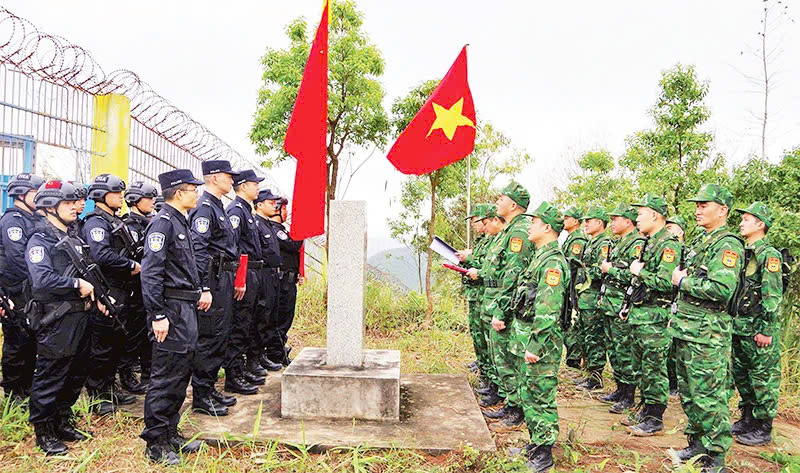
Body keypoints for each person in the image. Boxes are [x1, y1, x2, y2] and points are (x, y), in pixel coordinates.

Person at [26, 180, 108, 455]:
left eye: (79, 201)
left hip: (81, 317)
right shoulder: (40, 239)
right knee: (52, 375)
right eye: (70, 202)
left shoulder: (74, 236)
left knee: (75, 374)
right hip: (57, 320)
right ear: (50, 207)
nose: (78, 206)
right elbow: (42, 279)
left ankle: (62, 421)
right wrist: (75, 285)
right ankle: (44, 430)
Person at [670, 184, 743, 472]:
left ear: (722, 210)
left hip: (707, 334)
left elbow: (722, 288)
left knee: (709, 397)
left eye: (705, 205)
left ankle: (716, 458)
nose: (698, 209)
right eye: (697, 205)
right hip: (687, 329)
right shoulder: (704, 241)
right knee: (690, 394)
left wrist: (682, 282)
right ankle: (698, 446)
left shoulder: (727, 244)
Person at [139, 169, 204, 465]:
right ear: (179, 193)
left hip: (185, 308)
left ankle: (170, 432)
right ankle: (155, 442)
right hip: (171, 311)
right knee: (165, 375)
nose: (197, 194)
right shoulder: (162, 224)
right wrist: (158, 314)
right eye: (193, 189)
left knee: (180, 372)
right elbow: (151, 273)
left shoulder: (181, 222)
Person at [467, 181, 533, 432]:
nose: (497, 202)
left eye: (501, 198)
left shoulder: (518, 232)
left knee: (511, 360)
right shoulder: (508, 231)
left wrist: (501, 309)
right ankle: (511, 402)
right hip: (498, 301)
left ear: (513, 204)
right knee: (502, 358)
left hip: (509, 307)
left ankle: (516, 408)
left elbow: (513, 275)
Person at [508, 201, 570, 473]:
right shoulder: (539, 256)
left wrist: (535, 345)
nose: (529, 226)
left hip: (541, 344)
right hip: (527, 337)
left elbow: (548, 309)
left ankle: (543, 454)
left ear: (547, 227)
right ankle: (535, 443)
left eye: (533, 222)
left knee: (540, 396)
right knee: (529, 393)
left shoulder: (553, 262)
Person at [82, 174, 139, 415]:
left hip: (121, 290)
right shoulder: (96, 222)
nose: (121, 197)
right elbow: (100, 255)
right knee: (102, 345)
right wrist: (130, 265)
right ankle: (97, 394)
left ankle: (109, 387)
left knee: (116, 342)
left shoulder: (114, 220)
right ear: (101, 196)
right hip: (107, 289)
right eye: (116, 193)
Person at [624, 194, 681, 436]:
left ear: (655, 215)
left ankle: (654, 416)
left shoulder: (668, 244)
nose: (636, 218)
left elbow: (668, 283)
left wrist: (640, 272)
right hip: (641, 314)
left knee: (654, 368)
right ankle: (646, 407)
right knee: (641, 366)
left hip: (655, 317)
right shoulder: (650, 242)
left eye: (640, 214)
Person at [190, 160, 243, 415]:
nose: (231, 180)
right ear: (213, 178)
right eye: (227, 176)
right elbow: (199, 250)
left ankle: (209, 388)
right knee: (210, 335)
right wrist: (203, 286)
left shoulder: (217, 206)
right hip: (212, 276)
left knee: (220, 333)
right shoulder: (204, 208)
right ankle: (201, 395)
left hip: (223, 275)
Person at [730, 202, 783, 446]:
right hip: (740, 326)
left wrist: (766, 329)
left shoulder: (768, 254)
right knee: (742, 375)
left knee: (762, 378)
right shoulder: (744, 252)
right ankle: (748, 418)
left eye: (747, 219)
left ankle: (763, 426)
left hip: (757, 328)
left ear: (760, 224)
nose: (741, 222)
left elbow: (772, 296)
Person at [0, 173, 44, 402]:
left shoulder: (35, 218)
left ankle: (26, 386)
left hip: (31, 289)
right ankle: (13, 391)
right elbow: (17, 257)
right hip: (15, 290)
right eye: (36, 194)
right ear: (21, 194)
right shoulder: (13, 220)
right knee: (16, 341)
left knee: (30, 339)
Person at [598, 203, 645, 413]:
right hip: (610, 303)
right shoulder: (619, 242)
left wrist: (611, 270)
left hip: (622, 304)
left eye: (616, 218)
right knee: (614, 350)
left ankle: (628, 395)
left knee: (624, 351)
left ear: (628, 221)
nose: (613, 222)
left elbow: (635, 274)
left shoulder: (637, 243)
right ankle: (620, 388)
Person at [223, 170, 267, 392]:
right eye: (254, 184)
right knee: (239, 325)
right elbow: (234, 247)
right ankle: (233, 375)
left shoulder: (246, 210)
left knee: (248, 323)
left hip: (253, 272)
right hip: (244, 272)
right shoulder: (235, 211)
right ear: (242, 186)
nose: (257, 187)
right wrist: (240, 279)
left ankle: (240, 369)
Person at [118, 181, 159, 395]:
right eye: (148, 198)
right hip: (133, 288)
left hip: (147, 288)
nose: (152, 202)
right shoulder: (128, 226)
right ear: (134, 200)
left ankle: (148, 374)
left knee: (147, 334)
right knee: (133, 335)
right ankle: (127, 374)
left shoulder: (151, 223)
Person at [472, 206, 506, 407]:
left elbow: (507, 273)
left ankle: (500, 390)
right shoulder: (494, 240)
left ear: (495, 220)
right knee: (489, 345)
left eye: (484, 222)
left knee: (498, 350)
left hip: (496, 298)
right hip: (488, 296)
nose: (482, 226)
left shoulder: (509, 238)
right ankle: (493, 384)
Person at [575, 206, 613, 390]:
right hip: (585, 297)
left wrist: (582, 271)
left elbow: (601, 270)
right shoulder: (591, 242)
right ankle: (590, 373)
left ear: (600, 223)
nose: (586, 224)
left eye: (589, 221)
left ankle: (596, 377)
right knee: (585, 336)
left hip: (594, 297)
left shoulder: (604, 243)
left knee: (594, 338)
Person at [264, 197, 303, 367]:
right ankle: (275, 353)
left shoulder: (281, 230)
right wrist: (302, 231)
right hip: (281, 282)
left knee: (285, 318)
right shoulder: (275, 230)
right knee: (279, 320)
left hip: (289, 280)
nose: (287, 213)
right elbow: (293, 245)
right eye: (285, 209)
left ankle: (278, 350)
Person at [456, 204, 492, 385]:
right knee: (477, 333)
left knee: (484, 335)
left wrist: (468, 258)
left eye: (474, 220)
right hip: (475, 292)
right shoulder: (483, 241)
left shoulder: (493, 240)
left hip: (483, 293)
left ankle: (487, 373)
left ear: (484, 220)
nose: (472, 224)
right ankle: (483, 366)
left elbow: (485, 264)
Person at [251, 189, 283, 372]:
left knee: (270, 316)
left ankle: (262, 355)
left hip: (272, 275)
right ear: (260, 205)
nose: (275, 205)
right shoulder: (256, 224)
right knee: (261, 317)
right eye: (270, 202)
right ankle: (254, 358)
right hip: (262, 274)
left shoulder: (268, 225)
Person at [561, 207, 588, 370]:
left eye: (567, 217)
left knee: (571, 322)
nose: (564, 220)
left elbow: (572, 265)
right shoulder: (570, 238)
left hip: (573, 286)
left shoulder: (577, 239)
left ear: (575, 221)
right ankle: (573, 357)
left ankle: (574, 358)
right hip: (569, 286)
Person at [665, 214, 687, 395]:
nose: (668, 230)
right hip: (669, 301)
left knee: (677, 348)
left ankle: (676, 384)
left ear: (680, 230)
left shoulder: (686, 251)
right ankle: (670, 381)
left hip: (681, 301)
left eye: (671, 227)